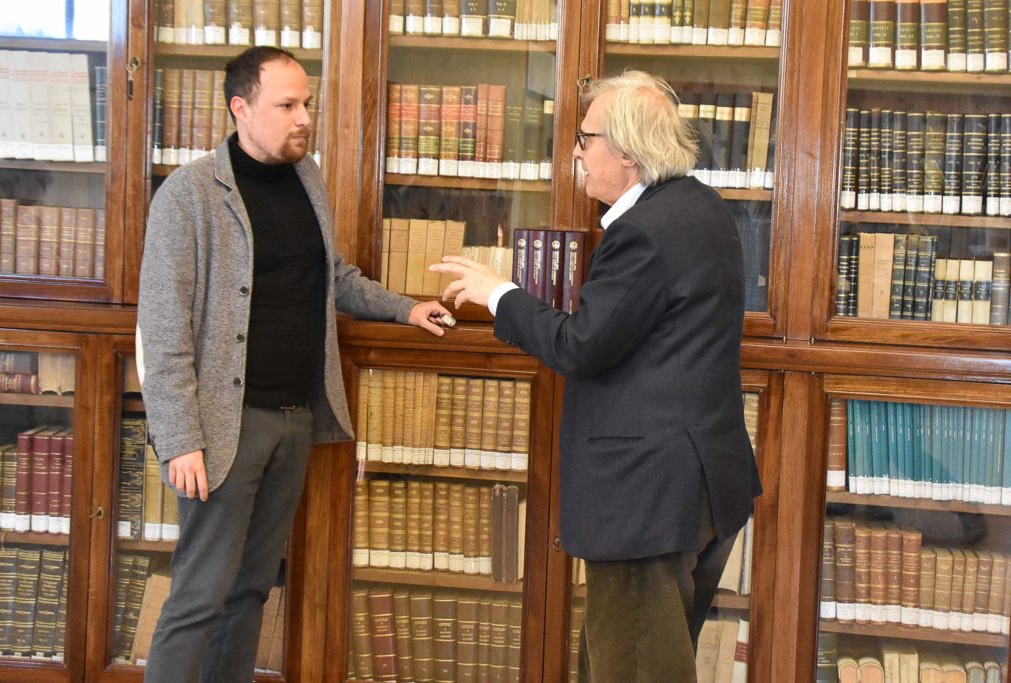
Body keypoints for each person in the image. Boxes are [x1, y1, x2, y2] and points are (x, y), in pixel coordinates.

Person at [430, 70, 761, 683]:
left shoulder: (644, 232)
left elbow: (582, 345)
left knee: (632, 670)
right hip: (699, 486)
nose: (576, 152)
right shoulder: (700, 205)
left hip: (646, 501)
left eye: (585, 138)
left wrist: (500, 294)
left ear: (628, 153)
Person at [136, 46, 451, 682]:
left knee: (251, 589)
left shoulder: (307, 177)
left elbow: (333, 276)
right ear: (241, 108)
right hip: (224, 429)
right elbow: (162, 328)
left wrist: (404, 308)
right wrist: (179, 439)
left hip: (293, 421)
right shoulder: (188, 195)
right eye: (287, 105)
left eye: (306, 103)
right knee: (200, 596)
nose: (304, 117)